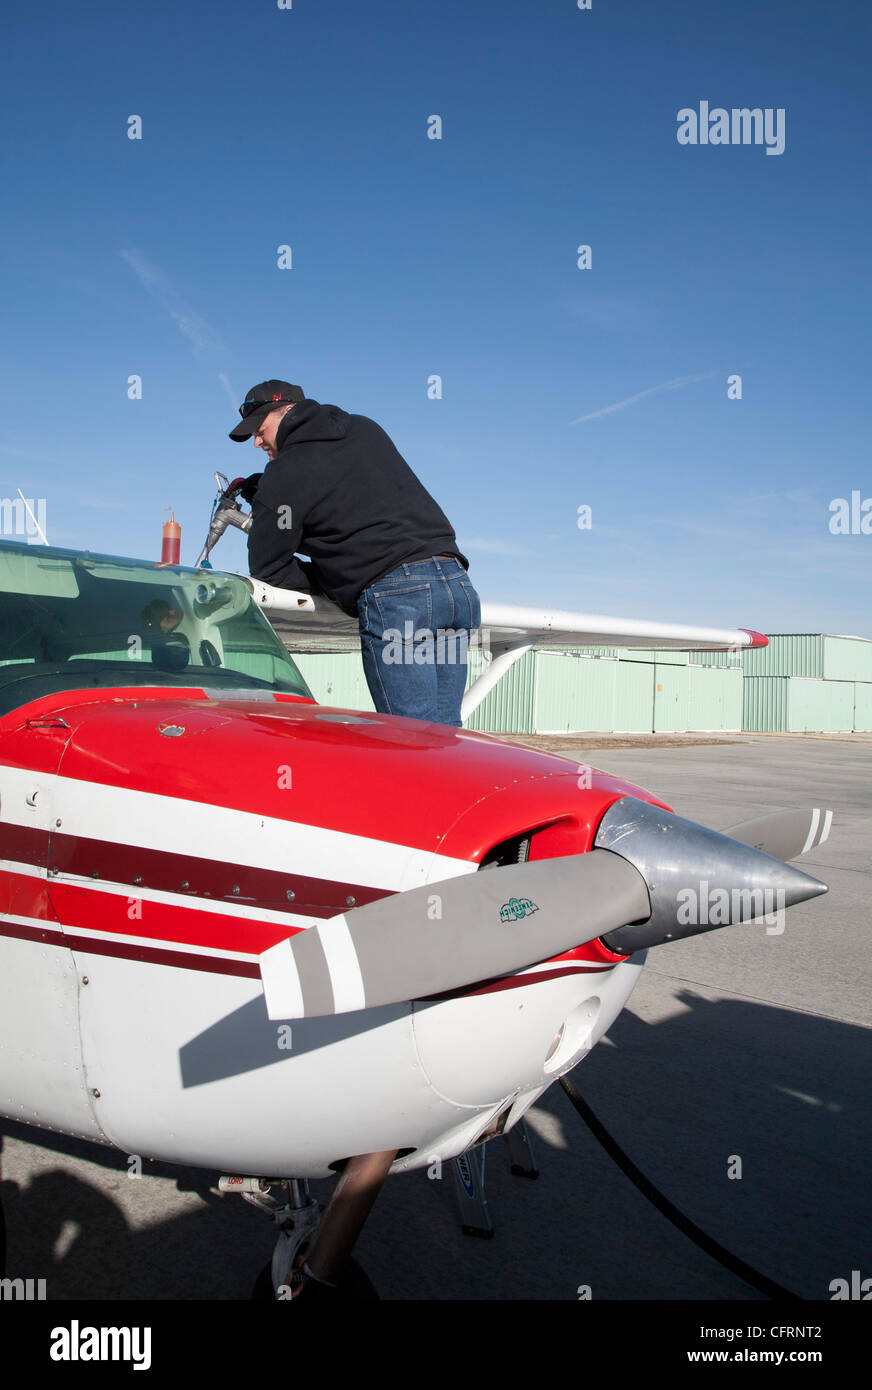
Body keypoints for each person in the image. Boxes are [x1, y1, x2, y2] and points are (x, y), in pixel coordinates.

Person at [228, 380, 481, 728]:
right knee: (444, 734)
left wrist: (336, 582)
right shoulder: (364, 428)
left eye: (260, 429)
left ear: (286, 412)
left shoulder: (284, 472)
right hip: (456, 590)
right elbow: (352, 493)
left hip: (400, 600)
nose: (257, 441)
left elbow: (269, 568)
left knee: (411, 739)